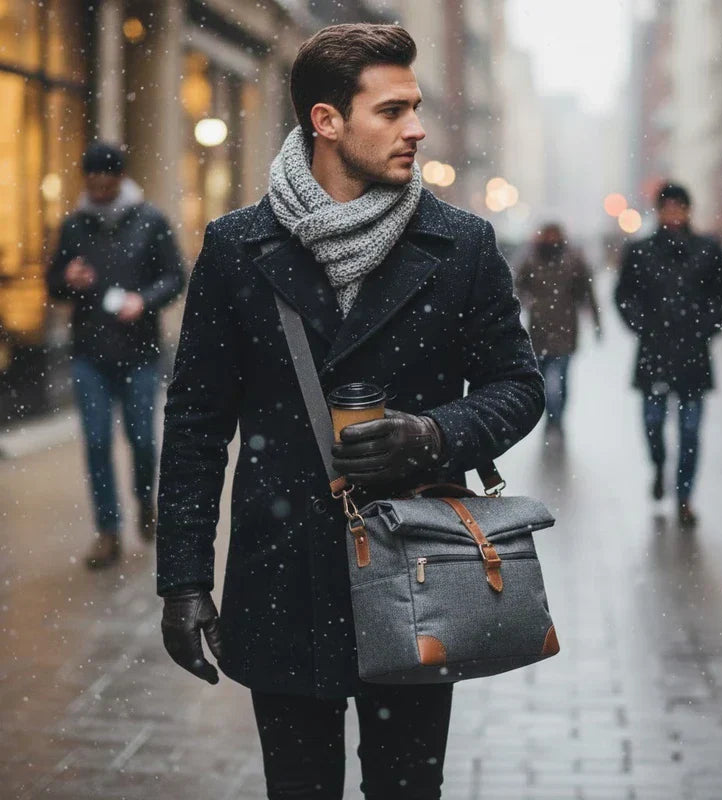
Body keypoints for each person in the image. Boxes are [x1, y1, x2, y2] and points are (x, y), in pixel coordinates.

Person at [156, 23, 544, 800]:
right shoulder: (238, 248)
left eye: (417, 107)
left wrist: (435, 434)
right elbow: (196, 424)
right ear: (326, 121)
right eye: (392, 110)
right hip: (283, 572)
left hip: (418, 570)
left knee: (408, 789)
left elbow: (519, 386)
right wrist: (184, 579)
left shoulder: (460, 245)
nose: (417, 128)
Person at [46, 142, 185, 568]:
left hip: (140, 352)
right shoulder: (74, 225)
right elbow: (53, 283)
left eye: (107, 183)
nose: (101, 190)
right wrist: (67, 278)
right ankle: (107, 531)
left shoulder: (150, 220)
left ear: (121, 178)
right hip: (89, 353)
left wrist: (143, 301)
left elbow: (175, 276)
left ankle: (146, 502)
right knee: (96, 441)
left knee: (142, 440)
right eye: (93, 183)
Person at [614, 183, 722, 527]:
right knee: (653, 425)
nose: (673, 214)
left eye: (679, 207)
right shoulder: (640, 251)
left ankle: (684, 497)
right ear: (659, 211)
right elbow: (624, 295)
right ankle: (658, 467)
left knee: (690, 432)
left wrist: (706, 326)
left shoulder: (707, 250)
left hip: (693, 355)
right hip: (654, 353)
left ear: (688, 210)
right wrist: (642, 325)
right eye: (667, 207)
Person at [514, 223, 601, 435]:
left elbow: (587, 291)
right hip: (539, 331)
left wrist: (597, 320)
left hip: (565, 330)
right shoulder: (532, 260)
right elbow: (518, 286)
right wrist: (527, 303)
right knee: (542, 380)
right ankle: (550, 417)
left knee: (560, 379)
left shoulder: (573, 260)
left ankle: (557, 417)